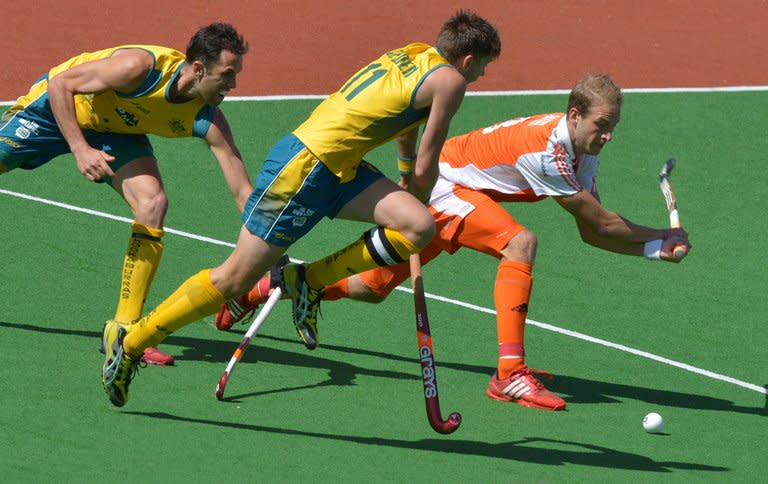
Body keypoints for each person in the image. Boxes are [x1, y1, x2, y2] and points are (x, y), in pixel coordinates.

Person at [216, 73, 692, 411]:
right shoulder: (548, 152)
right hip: (444, 187)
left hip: (464, 193)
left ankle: (271, 286)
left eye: (612, 127)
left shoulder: (581, 151)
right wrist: (661, 235)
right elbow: (603, 225)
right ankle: (510, 374)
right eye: (600, 125)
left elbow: (593, 231)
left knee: (371, 286)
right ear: (574, 114)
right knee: (519, 243)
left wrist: (654, 248)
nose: (607, 136)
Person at [100, 10, 502, 407]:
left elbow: (408, 120)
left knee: (417, 226)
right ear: (468, 60)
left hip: (340, 166)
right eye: (482, 67)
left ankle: (308, 279)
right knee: (234, 279)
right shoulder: (451, 81)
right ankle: (133, 344)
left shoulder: (416, 55)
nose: (480, 76)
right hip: (304, 168)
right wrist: (418, 187)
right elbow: (428, 163)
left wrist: (403, 177)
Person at [0, 23, 252, 365]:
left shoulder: (208, 121)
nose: (233, 85)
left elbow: (242, 192)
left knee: (152, 203)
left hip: (117, 129)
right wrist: (80, 149)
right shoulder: (139, 68)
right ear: (197, 68)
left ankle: (123, 330)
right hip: (58, 110)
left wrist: (272, 242)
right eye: (227, 74)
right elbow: (62, 84)